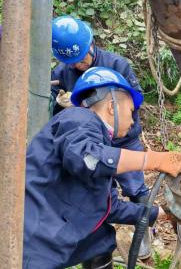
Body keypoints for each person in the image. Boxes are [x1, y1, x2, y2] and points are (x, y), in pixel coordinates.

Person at [24, 67, 181, 268]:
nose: (132, 120)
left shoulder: (98, 140)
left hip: (56, 229)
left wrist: (161, 213)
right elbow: (87, 159)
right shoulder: (78, 118)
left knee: (100, 240)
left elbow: (108, 208)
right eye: (131, 111)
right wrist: (151, 160)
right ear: (112, 106)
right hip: (33, 237)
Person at [50, 15, 153, 258]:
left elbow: (136, 98)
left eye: (82, 59)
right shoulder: (61, 72)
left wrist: (111, 106)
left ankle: (145, 238)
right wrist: (59, 103)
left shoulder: (116, 65)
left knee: (136, 189)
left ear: (91, 45)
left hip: (123, 140)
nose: (79, 66)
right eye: (73, 63)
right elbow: (52, 114)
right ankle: (100, 248)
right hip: (91, 147)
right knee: (101, 195)